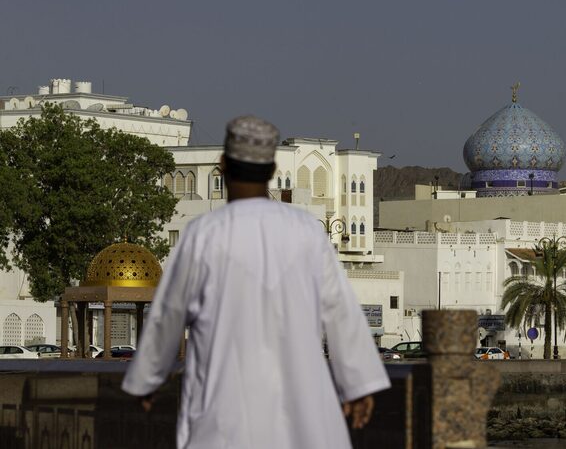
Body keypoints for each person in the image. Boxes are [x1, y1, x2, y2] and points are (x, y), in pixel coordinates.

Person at [122, 116, 390, 448]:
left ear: (222, 166)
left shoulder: (204, 235)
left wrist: (146, 380)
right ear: (273, 169)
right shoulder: (306, 232)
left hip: (225, 419)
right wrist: (359, 383)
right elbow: (341, 313)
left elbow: (168, 316)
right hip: (303, 420)